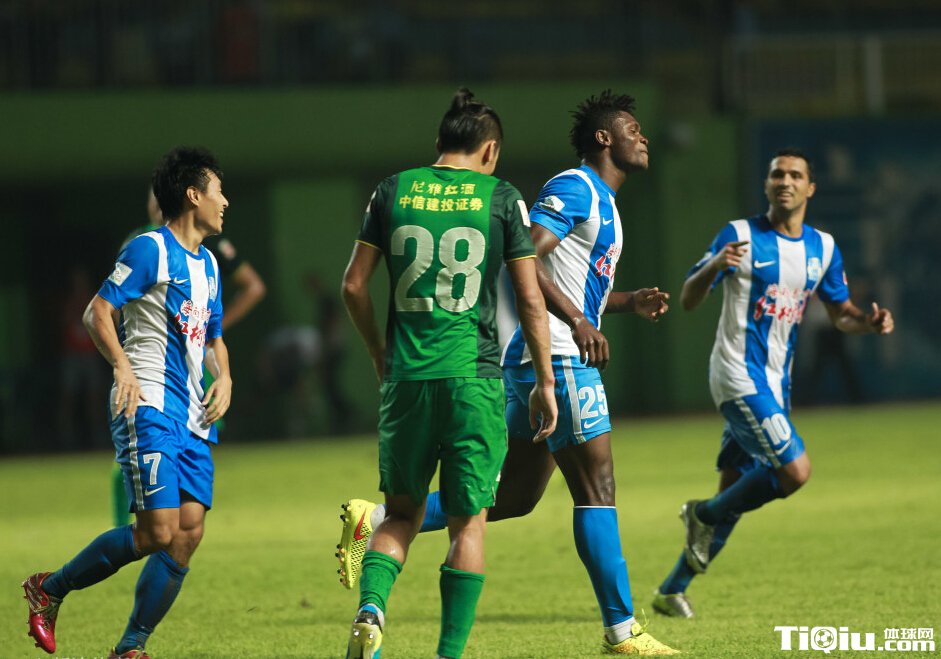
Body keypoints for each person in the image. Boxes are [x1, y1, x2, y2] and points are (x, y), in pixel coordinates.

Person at [339, 90, 677, 655]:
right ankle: (622, 630)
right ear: (604, 138)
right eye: (632, 128)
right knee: (597, 487)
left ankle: (375, 521)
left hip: (467, 366)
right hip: (552, 359)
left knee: (514, 496)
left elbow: (560, 278)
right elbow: (530, 261)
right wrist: (576, 324)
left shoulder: (599, 200)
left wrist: (621, 303)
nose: (642, 137)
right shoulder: (573, 188)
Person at [340, 88, 558, 659]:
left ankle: (371, 610)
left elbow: (354, 286)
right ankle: (449, 654)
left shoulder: (392, 189)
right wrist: (544, 380)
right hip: (473, 380)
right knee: (468, 525)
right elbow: (530, 299)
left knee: (401, 514)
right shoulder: (501, 197)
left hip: (406, 379)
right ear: (490, 150)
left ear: (439, 141)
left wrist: (378, 352)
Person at [651, 148, 895, 619]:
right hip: (736, 375)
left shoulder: (823, 248)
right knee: (794, 472)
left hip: (775, 386)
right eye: (777, 174)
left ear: (810, 188)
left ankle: (671, 589)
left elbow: (841, 313)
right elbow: (687, 298)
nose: (785, 181)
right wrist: (714, 265)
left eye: (795, 175)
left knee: (735, 491)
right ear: (766, 185)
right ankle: (701, 514)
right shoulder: (739, 235)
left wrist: (868, 322)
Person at [22, 147, 232, 659]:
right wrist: (121, 365)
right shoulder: (149, 249)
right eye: (218, 191)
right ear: (193, 195)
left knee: (188, 532)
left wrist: (226, 376)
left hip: (193, 417)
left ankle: (129, 648)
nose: (225, 201)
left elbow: (212, 338)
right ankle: (49, 588)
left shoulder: (208, 264)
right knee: (158, 532)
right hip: (149, 405)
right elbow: (97, 312)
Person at [109, 187, 265, 527]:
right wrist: (124, 354)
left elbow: (253, 286)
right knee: (138, 472)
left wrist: (213, 333)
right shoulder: (142, 244)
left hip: (192, 367)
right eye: (151, 196)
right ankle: (134, 531)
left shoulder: (207, 251)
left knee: (187, 509)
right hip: (150, 371)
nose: (156, 202)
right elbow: (108, 307)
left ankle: (158, 529)